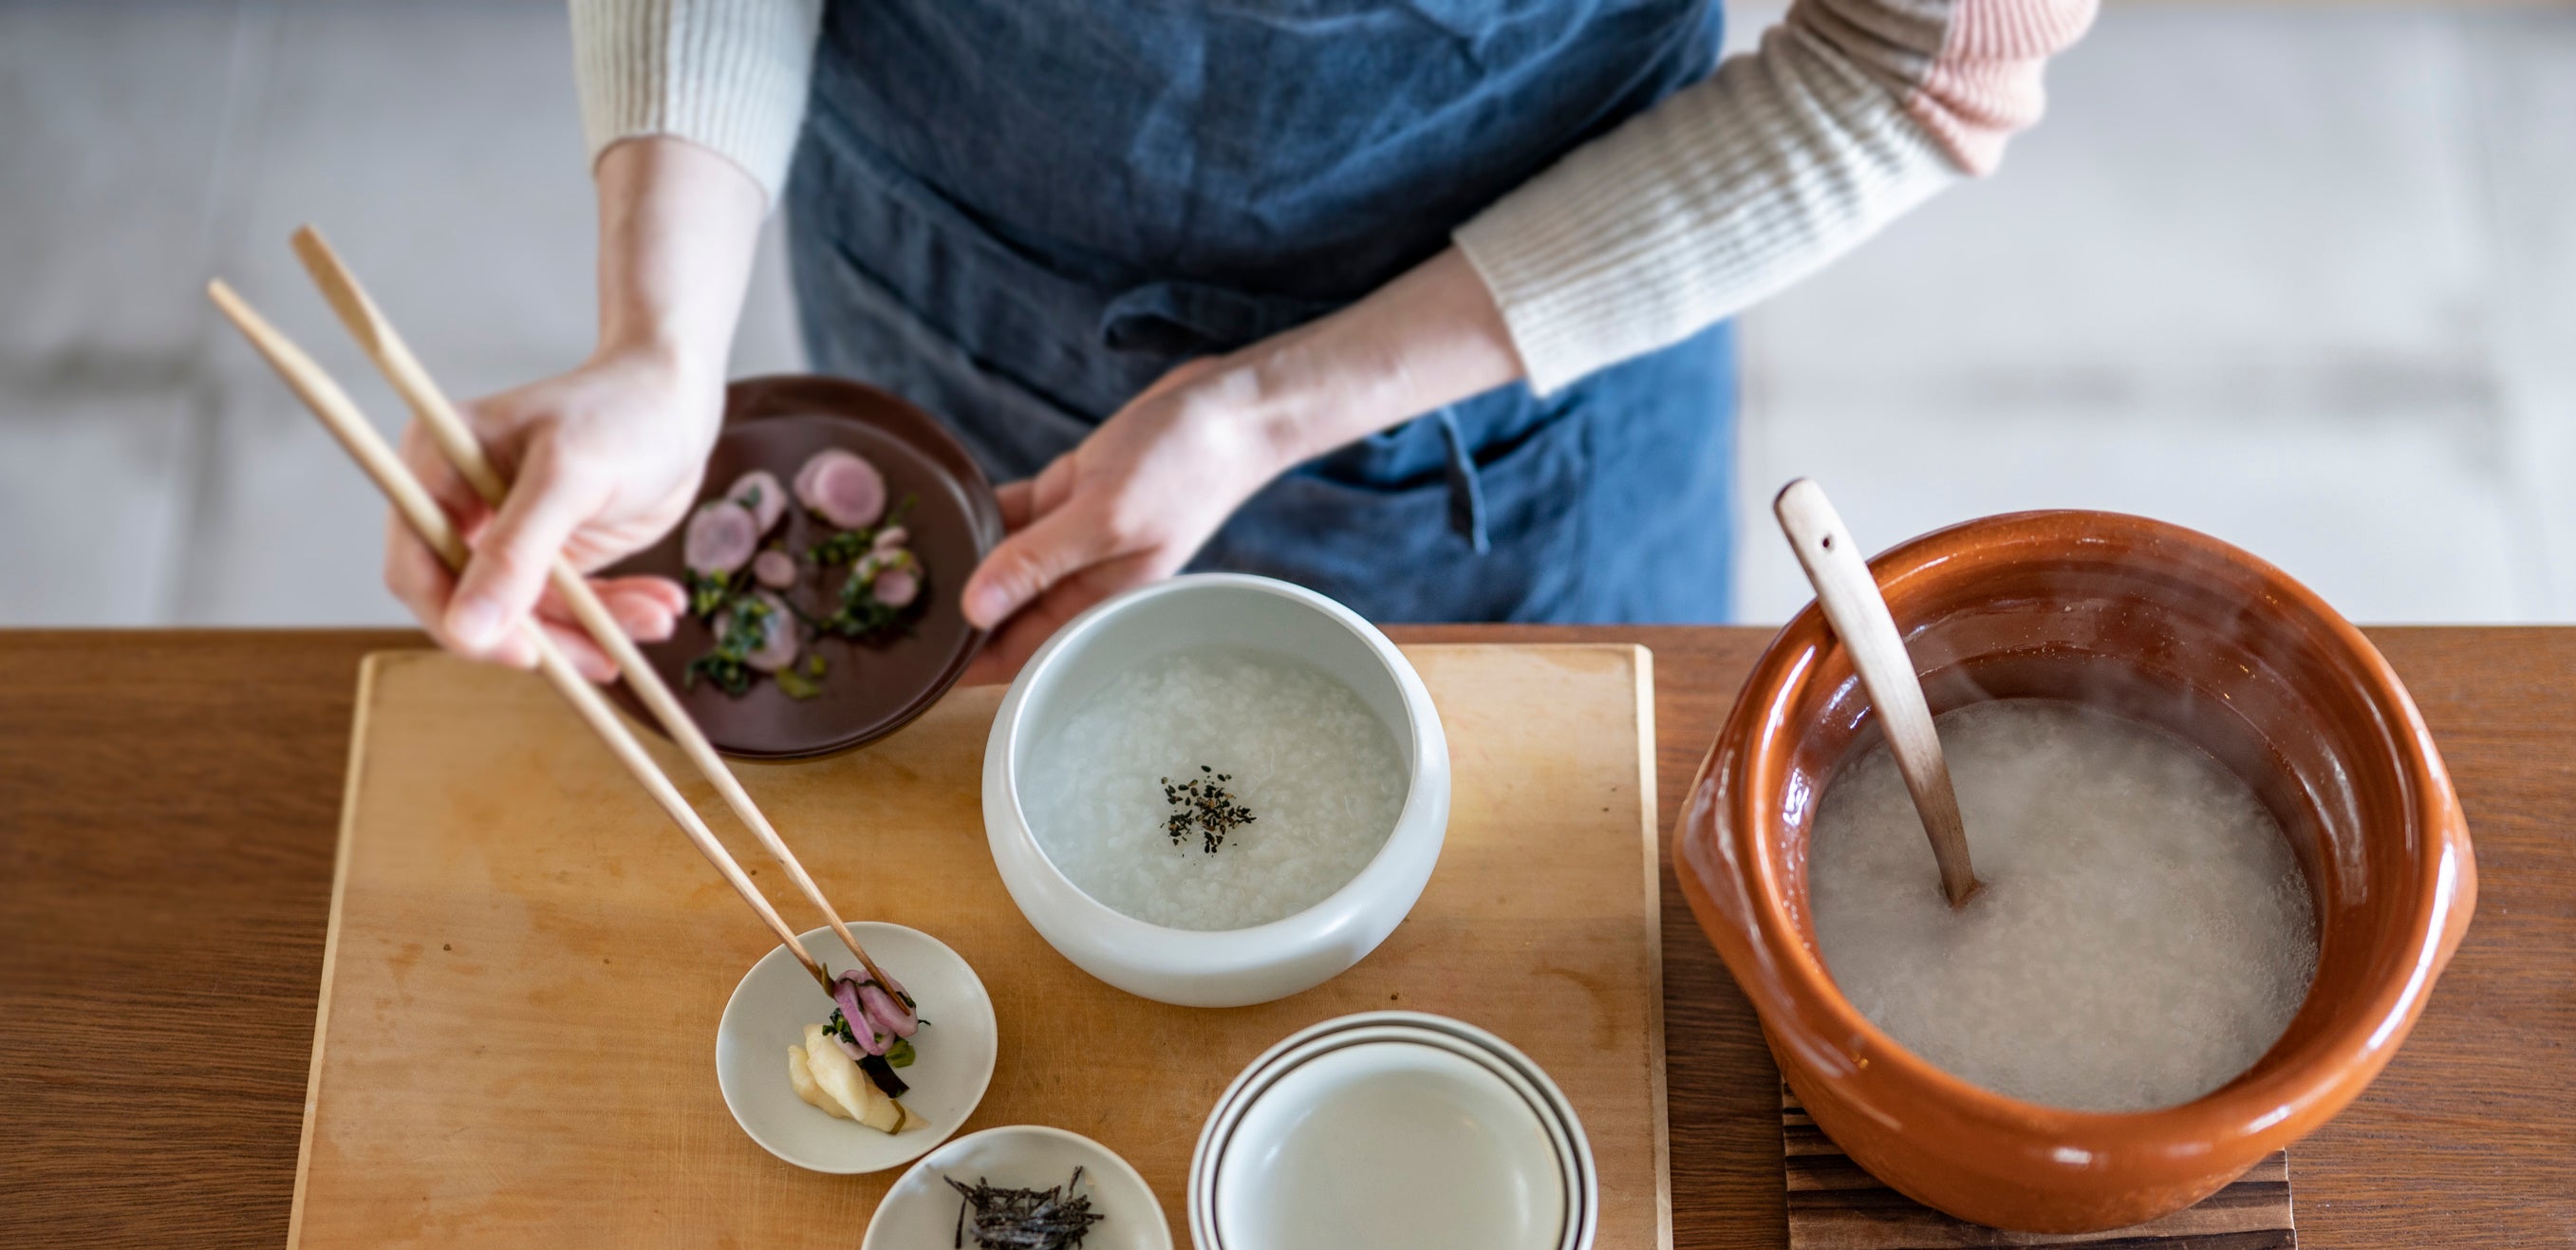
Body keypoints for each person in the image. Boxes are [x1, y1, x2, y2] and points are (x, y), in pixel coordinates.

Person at [387, 0, 2093, 681]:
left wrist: (1274, 403)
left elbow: (1910, 63)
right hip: (939, 259)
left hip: (1505, 388)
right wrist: (662, 337)